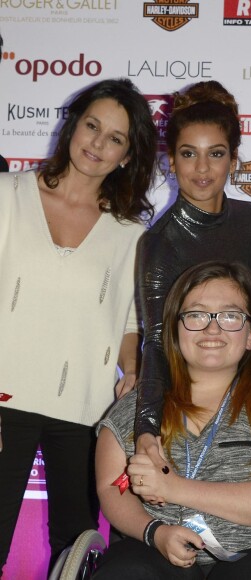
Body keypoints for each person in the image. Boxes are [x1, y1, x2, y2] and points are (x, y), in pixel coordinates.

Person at [0, 78, 157, 575]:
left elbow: (130, 319)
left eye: (116, 138)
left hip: (85, 410)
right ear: (72, 125)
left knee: (78, 551)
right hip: (3, 399)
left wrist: (132, 373)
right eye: (92, 126)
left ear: (128, 155)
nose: (97, 144)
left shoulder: (129, 230)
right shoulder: (9, 194)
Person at [94, 262, 251, 579]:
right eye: (196, 315)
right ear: (175, 330)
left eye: (230, 316)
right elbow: (111, 487)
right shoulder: (135, 409)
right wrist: (155, 532)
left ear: (250, 336)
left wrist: (174, 489)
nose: (212, 328)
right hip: (156, 549)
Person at [134, 81, 251, 475]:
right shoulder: (159, 243)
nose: (203, 169)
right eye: (189, 154)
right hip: (188, 403)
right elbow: (156, 342)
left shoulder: (250, 219)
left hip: (249, 393)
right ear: (171, 161)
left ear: (234, 159)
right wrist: (146, 426)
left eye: (216, 154)